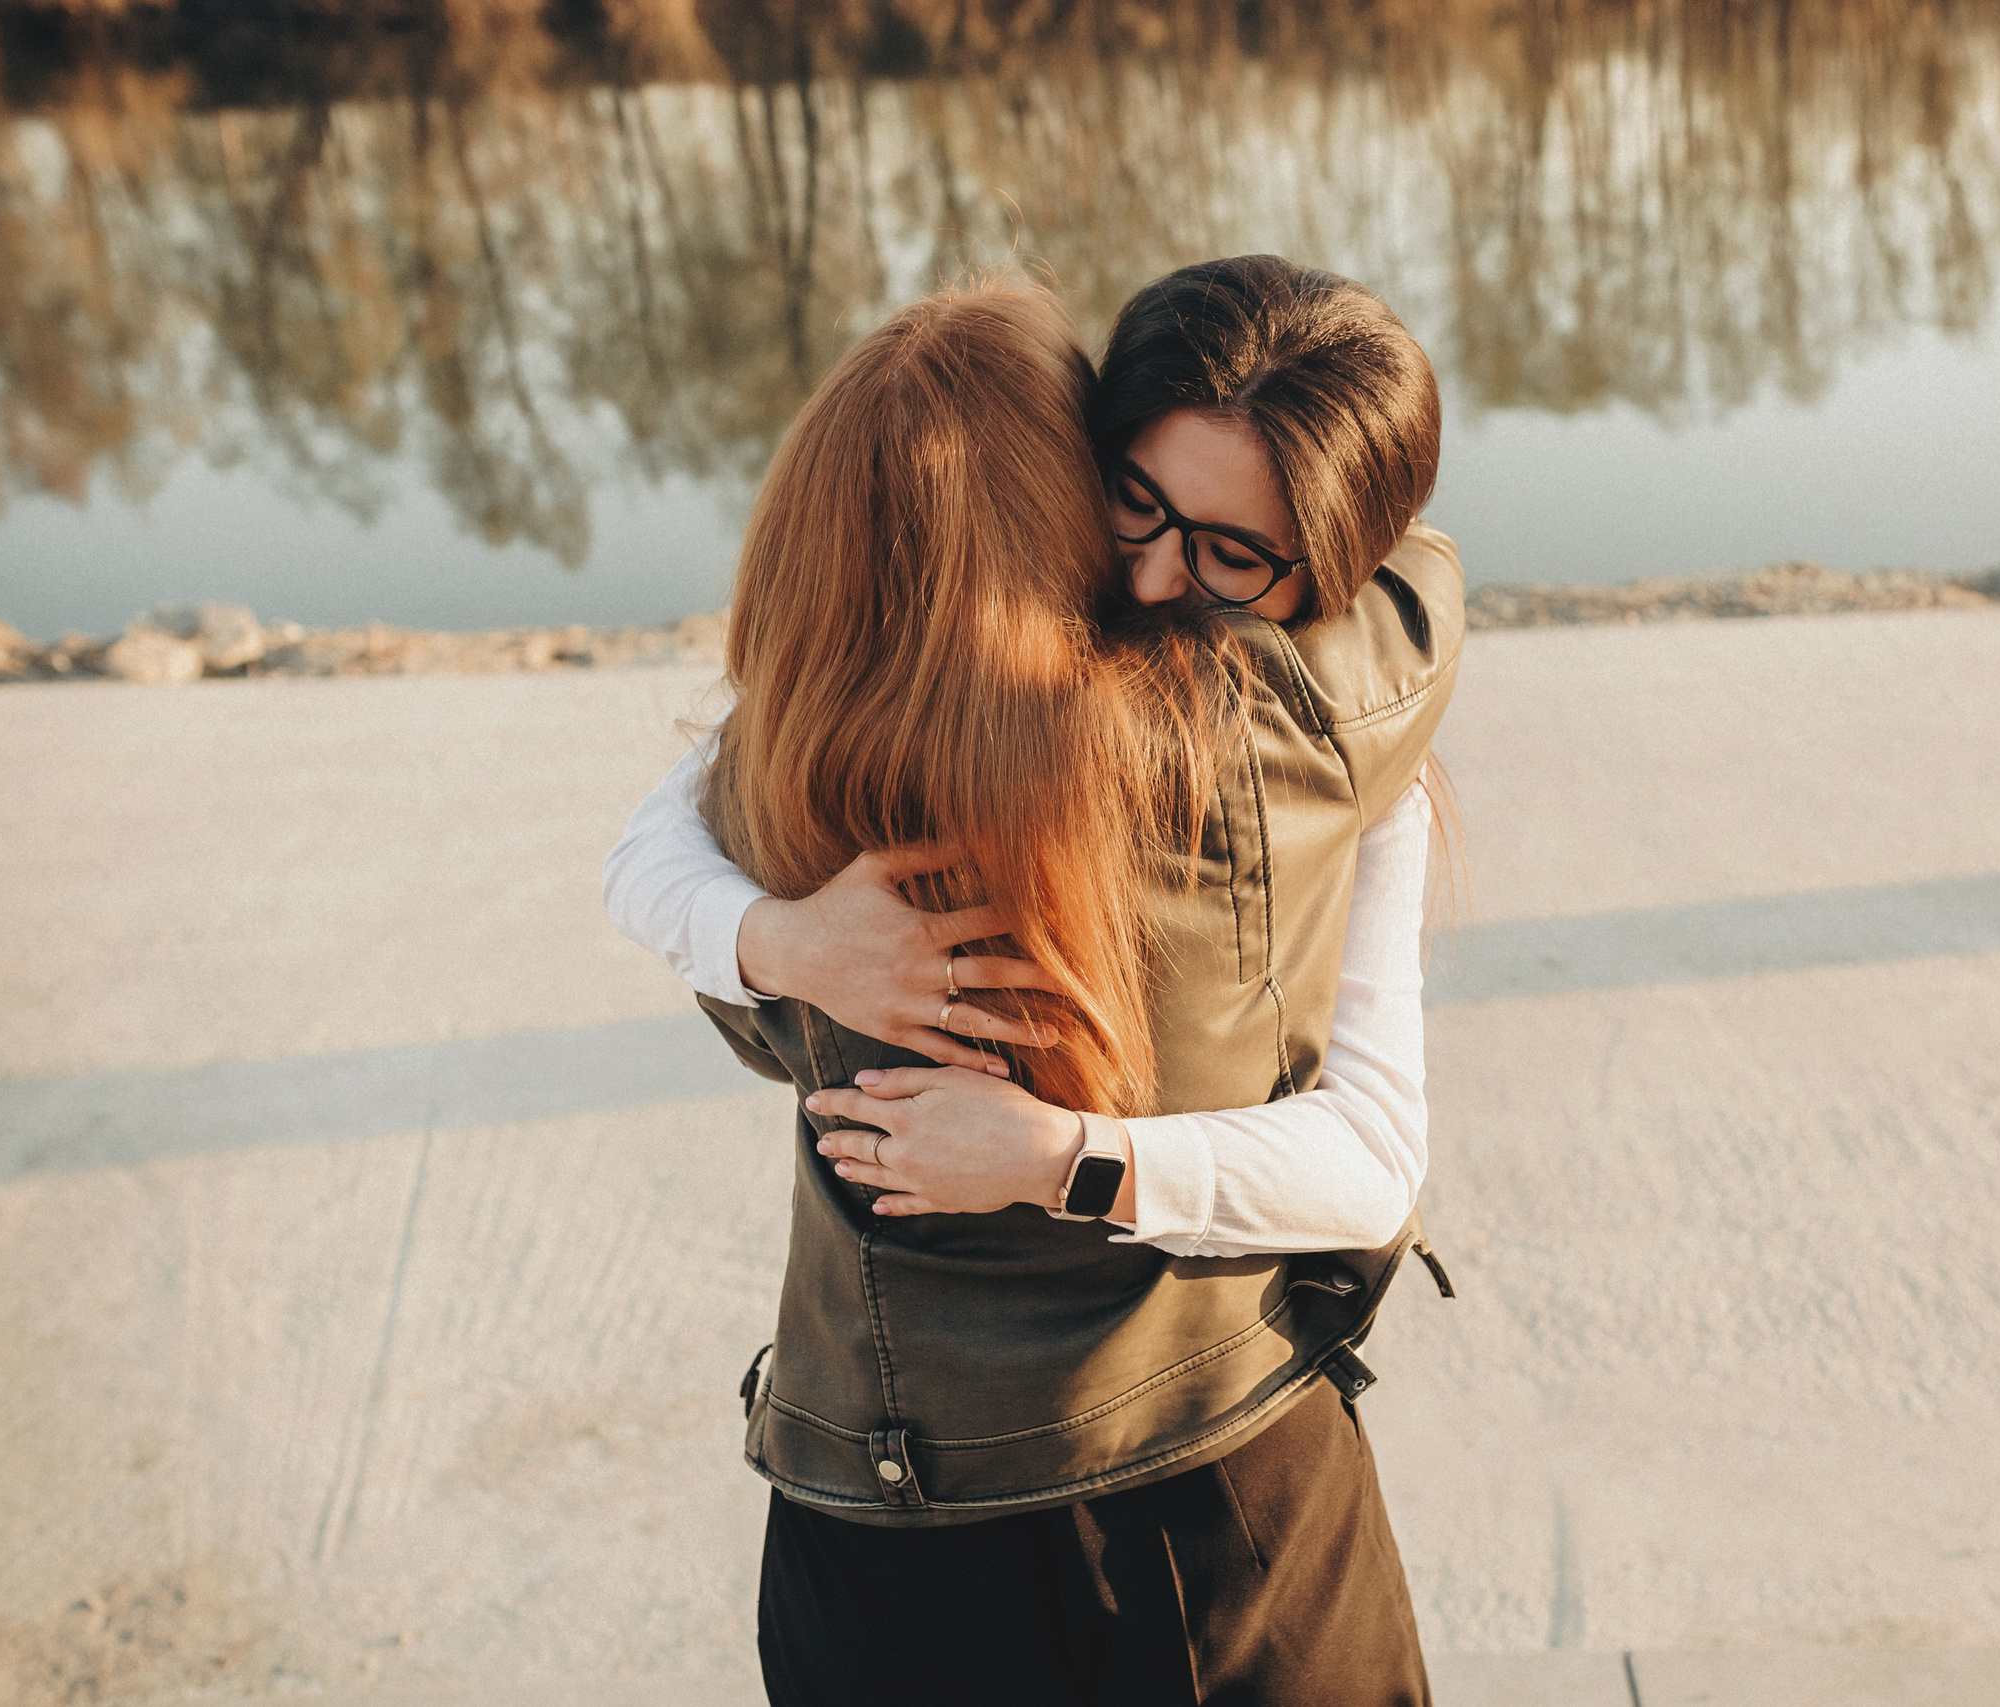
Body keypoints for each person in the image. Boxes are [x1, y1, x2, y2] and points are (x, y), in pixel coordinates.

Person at [602, 258, 1461, 1704]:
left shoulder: (798, 768)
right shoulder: (1328, 735)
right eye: (1133, 498)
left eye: (1233, 554)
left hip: (872, 1521)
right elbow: (1428, 586)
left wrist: (1057, 1157)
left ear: (1331, 561)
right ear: (1074, 459)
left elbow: (645, 846)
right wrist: (792, 941)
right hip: (1214, 1506)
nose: (1151, 575)